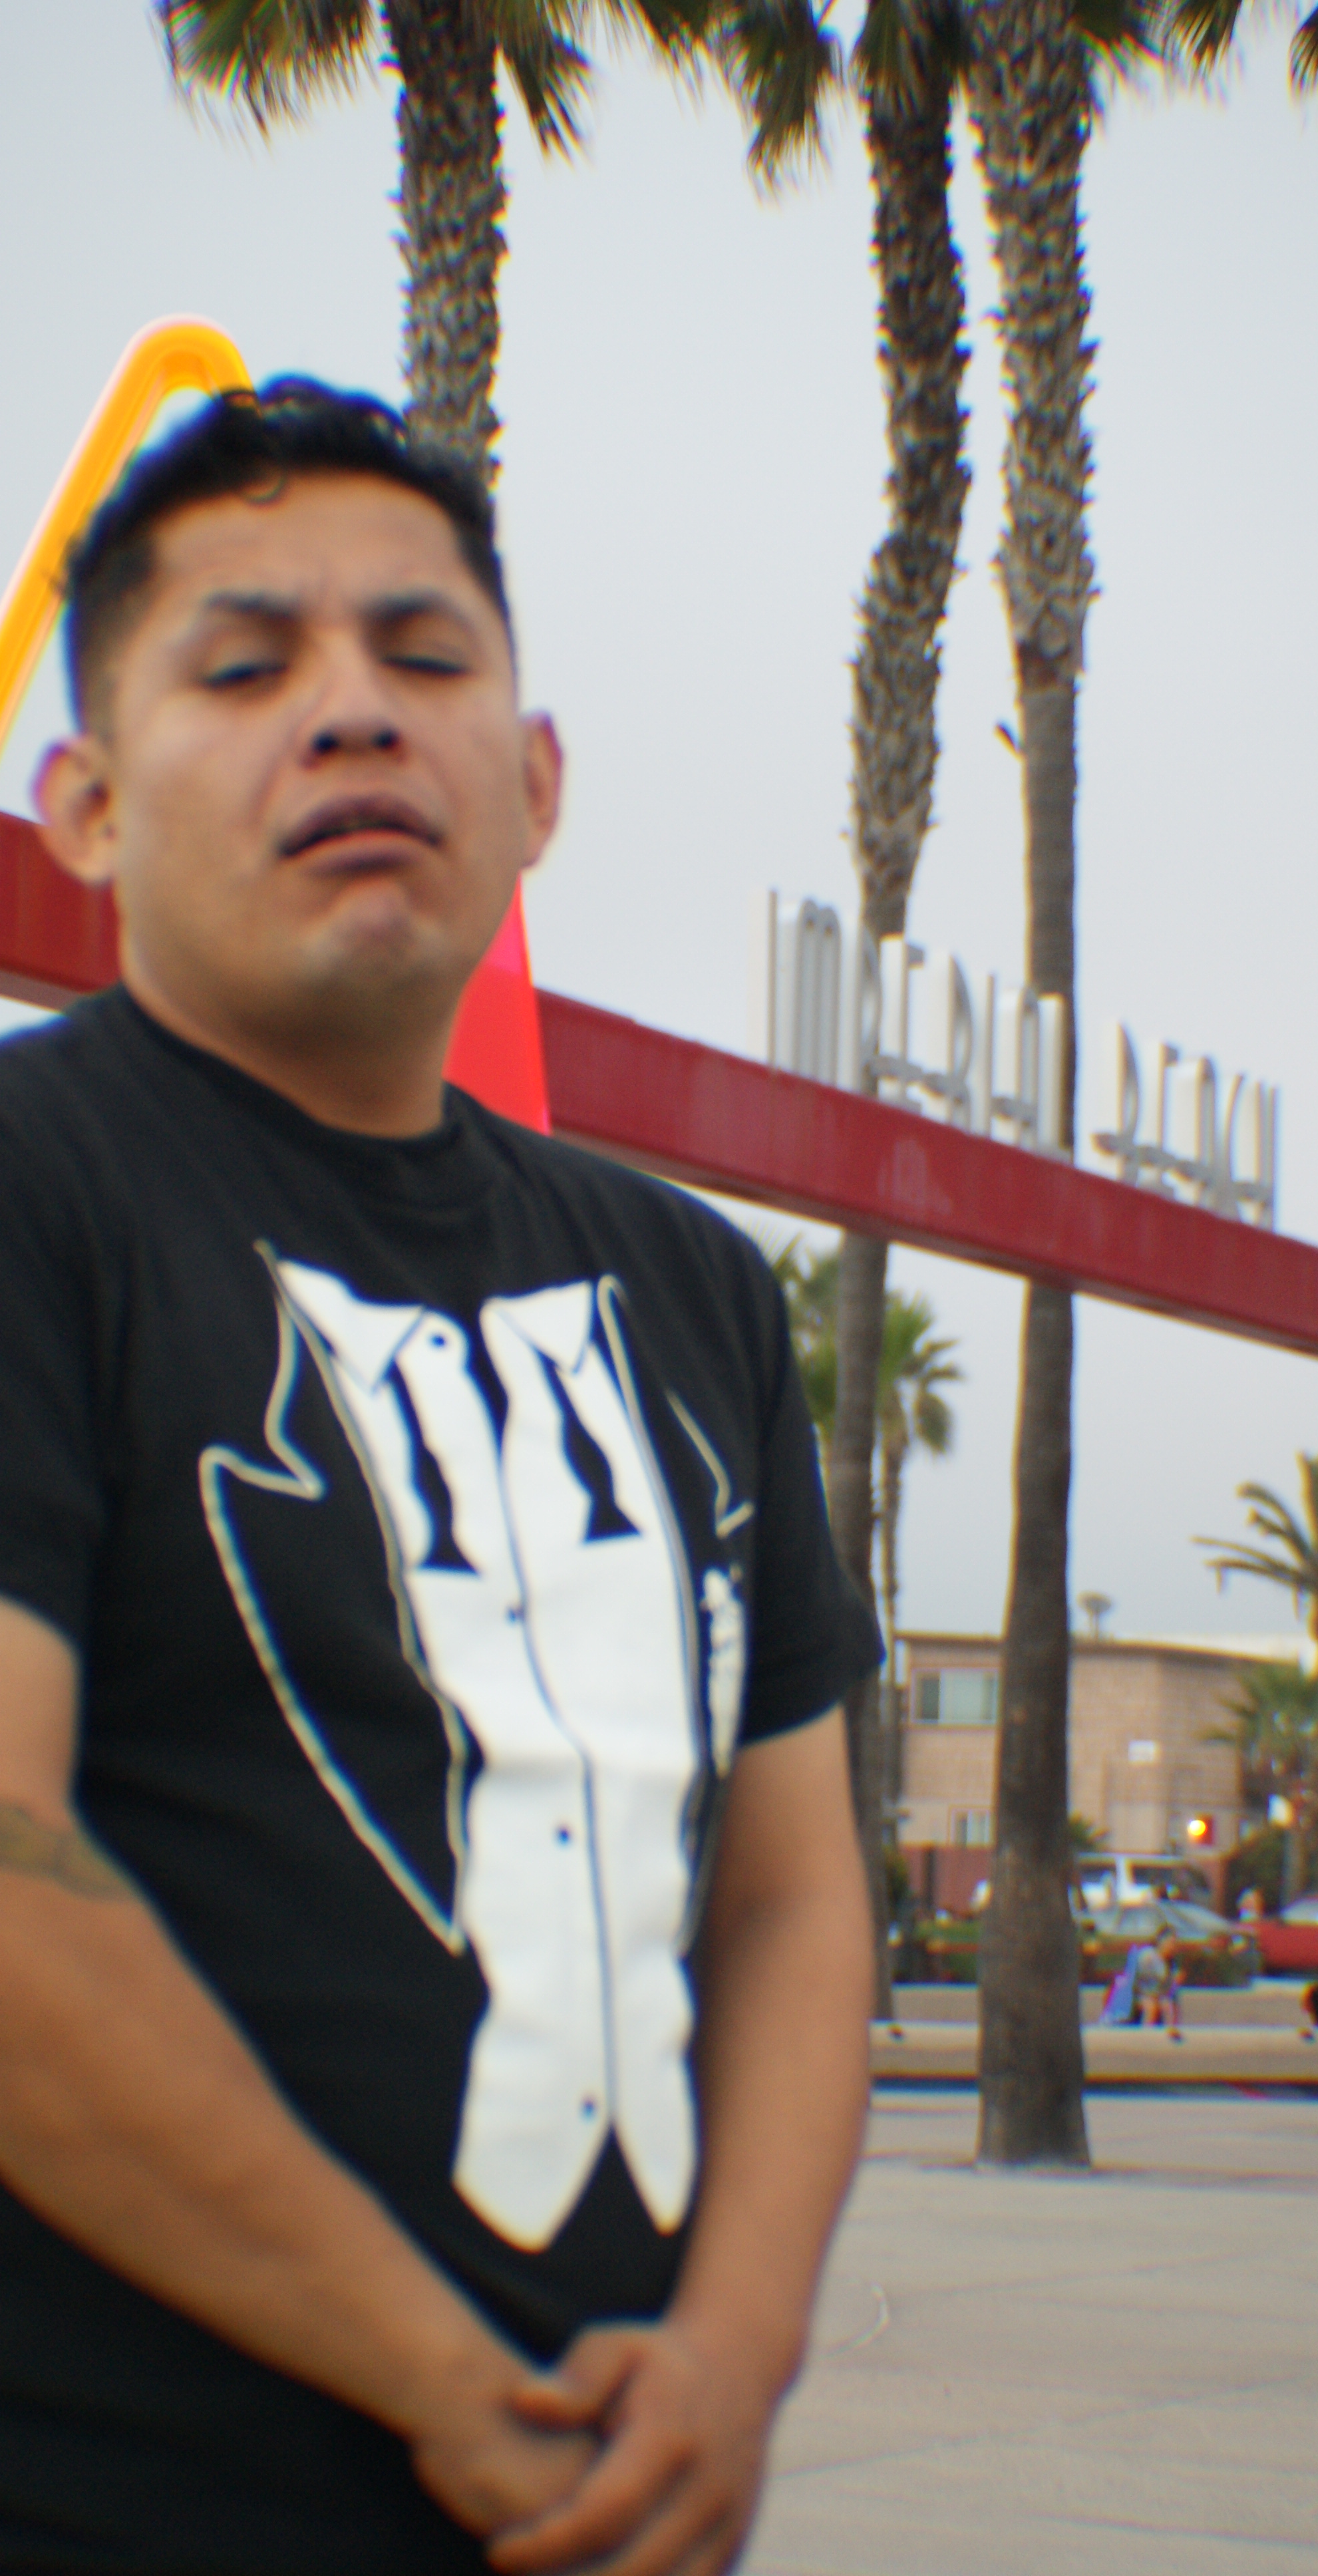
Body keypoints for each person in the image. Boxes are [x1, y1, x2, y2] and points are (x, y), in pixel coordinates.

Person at [0, 381, 880, 2576]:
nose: (352, 712)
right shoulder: (39, 1191)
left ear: (536, 779)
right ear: (83, 807)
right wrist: (444, 2386)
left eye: (422, 654)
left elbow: (789, 1892)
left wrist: (731, 2360)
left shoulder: (693, 1283)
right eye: (243, 666)